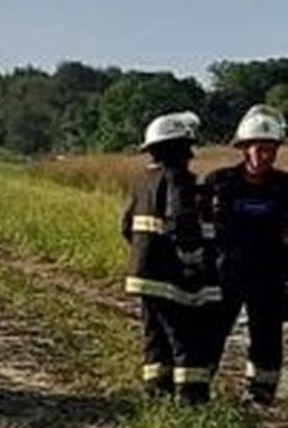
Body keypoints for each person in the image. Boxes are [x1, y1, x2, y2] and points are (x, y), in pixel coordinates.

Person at [121, 111, 222, 404]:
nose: (191, 154)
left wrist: (145, 253)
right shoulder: (176, 178)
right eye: (186, 147)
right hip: (167, 278)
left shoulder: (144, 182)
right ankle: (192, 399)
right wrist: (193, 258)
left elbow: (127, 226)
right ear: (175, 149)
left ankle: (156, 393)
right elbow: (181, 221)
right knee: (187, 336)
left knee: (155, 337)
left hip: (142, 276)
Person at [201, 105, 288, 405]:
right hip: (225, 273)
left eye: (271, 150)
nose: (265, 156)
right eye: (259, 149)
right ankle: (199, 388)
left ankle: (261, 395)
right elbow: (198, 229)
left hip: (270, 274)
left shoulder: (284, 187)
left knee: (267, 337)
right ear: (244, 148)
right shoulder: (218, 183)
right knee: (212, 332)